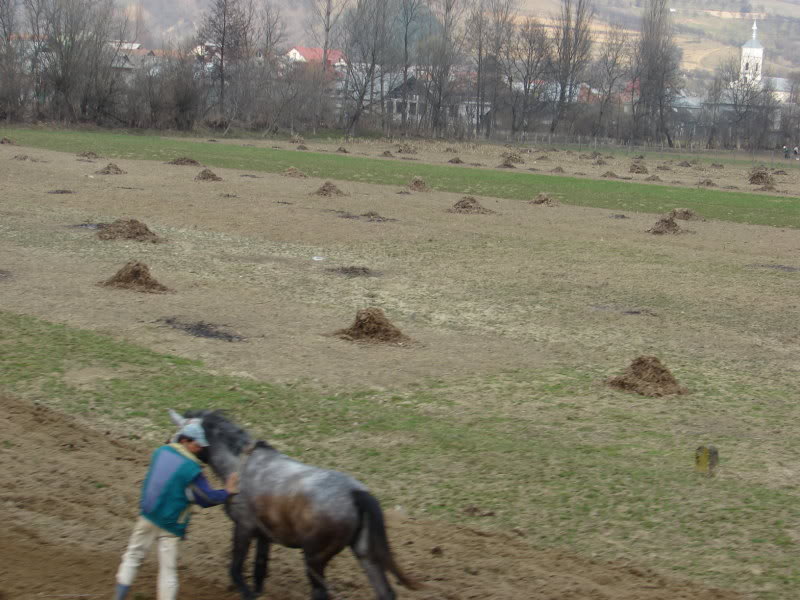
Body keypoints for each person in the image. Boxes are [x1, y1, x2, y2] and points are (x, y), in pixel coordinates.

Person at [112, 420, 238, 600]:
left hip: (148, 514)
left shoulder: (160, 452)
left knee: (133, 555)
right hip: (171, 525)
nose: (200, 448)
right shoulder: (192, 469)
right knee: (168, 570)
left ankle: (119, 596)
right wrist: (228, 492)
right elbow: (206, 498)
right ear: (185, 440)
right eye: (197, 444)